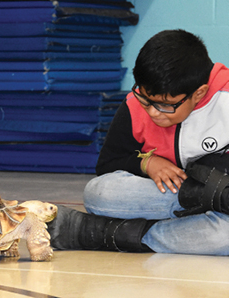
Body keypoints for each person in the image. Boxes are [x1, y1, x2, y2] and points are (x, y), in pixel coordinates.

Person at [48, 29, 229, 255]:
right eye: (146, 99)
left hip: (221, 212)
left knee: (225, 236)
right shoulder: (135, 104)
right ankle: (193, 211)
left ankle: (104, 233)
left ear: (199, 93)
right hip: (166, 197)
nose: (153, 112)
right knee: (98, 193)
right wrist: (147, 163)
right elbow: (107, 165)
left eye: (165, 104)